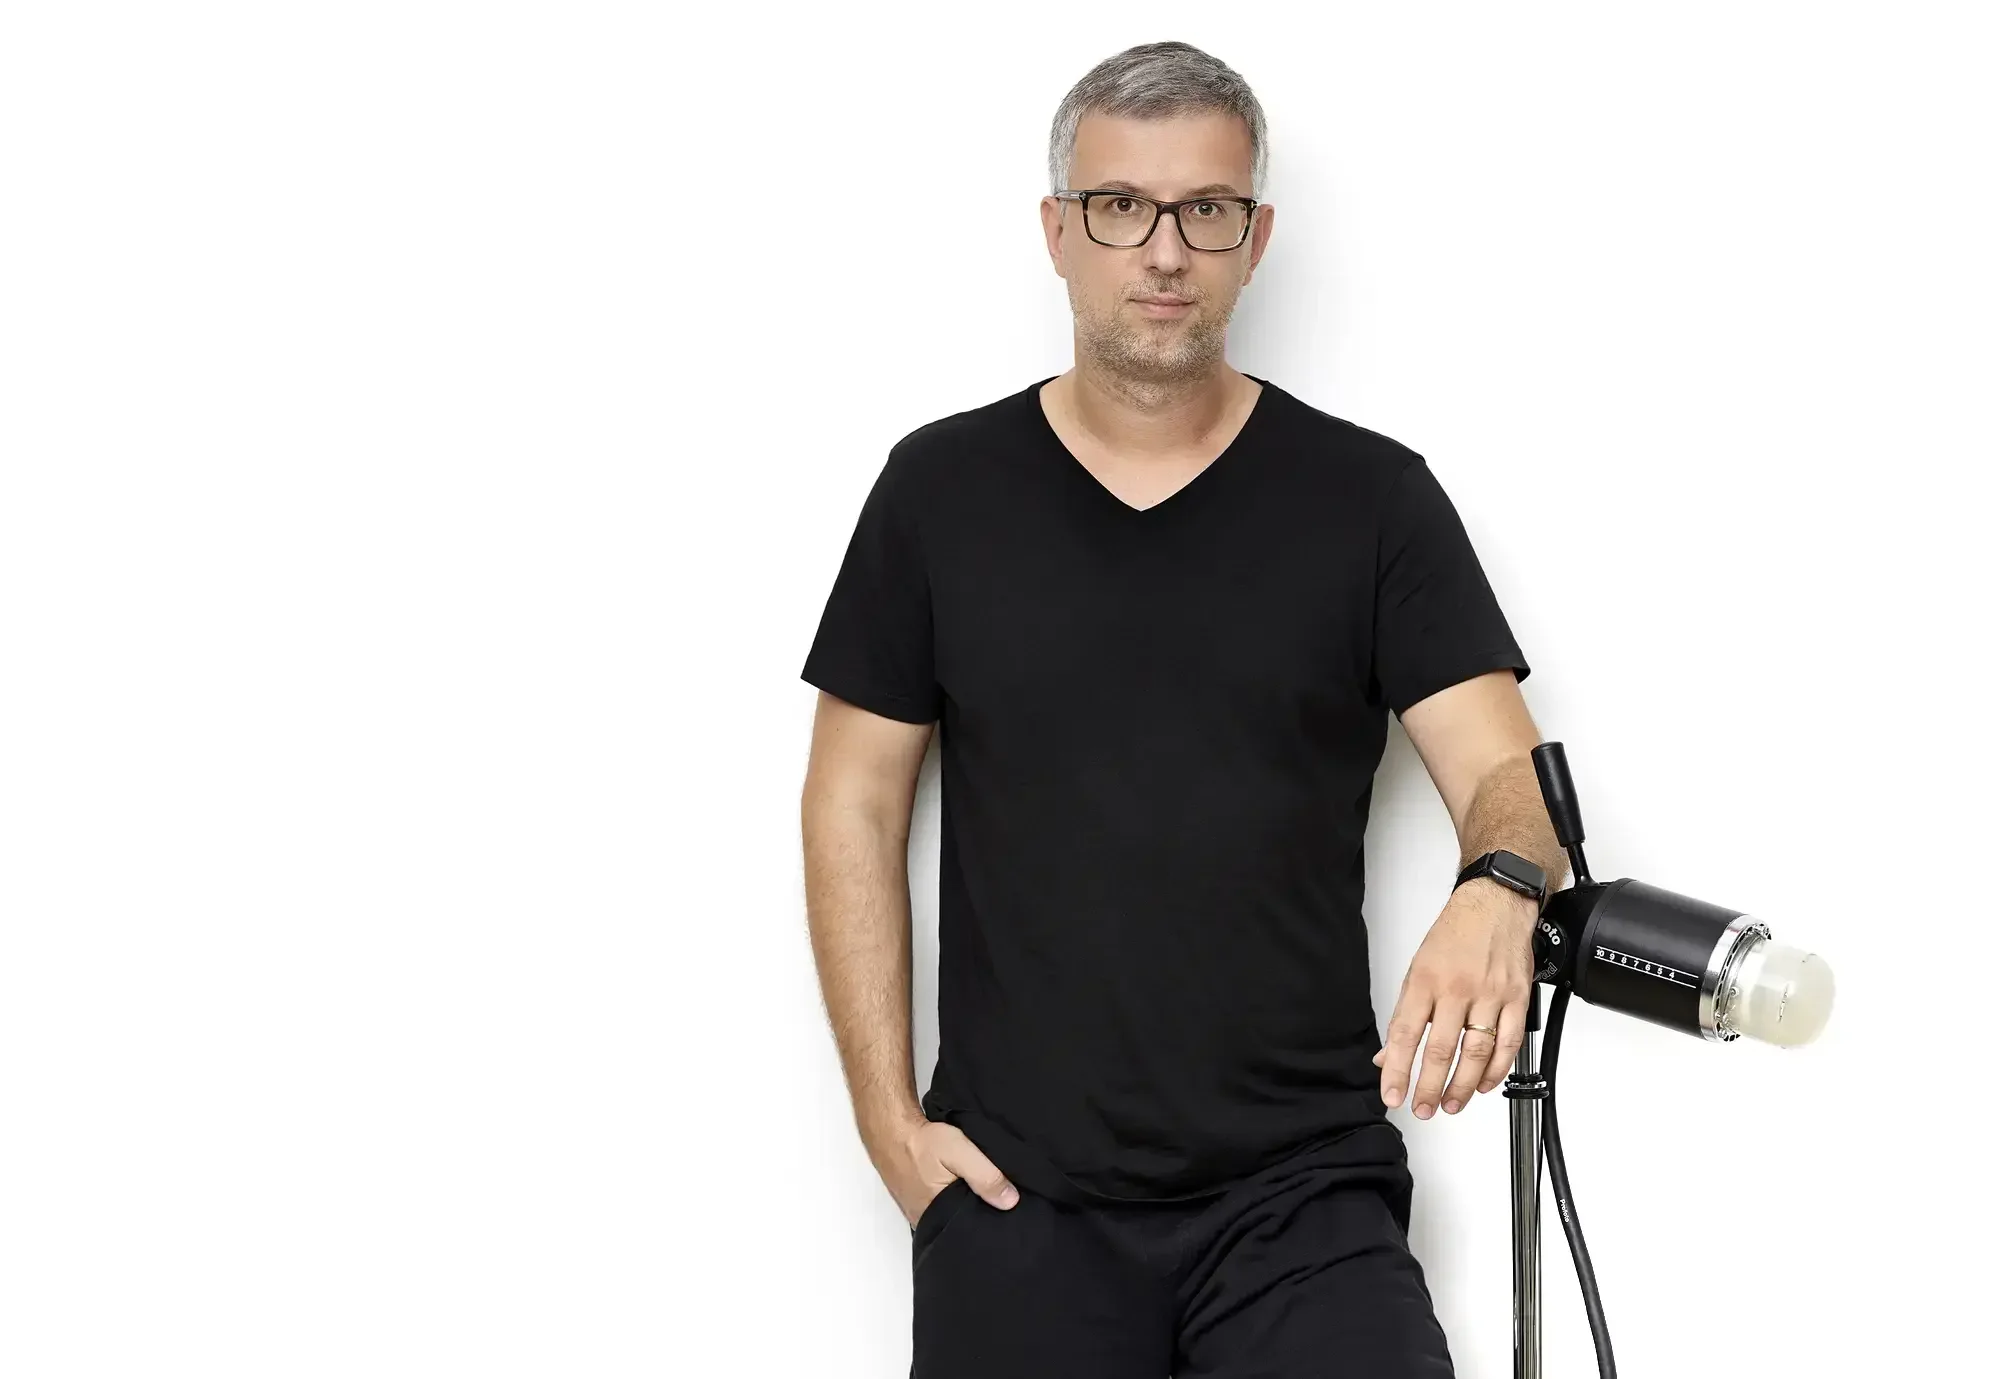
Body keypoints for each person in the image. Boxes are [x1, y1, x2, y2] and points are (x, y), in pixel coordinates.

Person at [798, 39, 1570, 1379]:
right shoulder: (938, 493)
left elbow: (1510, 781)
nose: (1164, 250)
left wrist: (1501, 883)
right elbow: (853, 798)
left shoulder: (1372, 502)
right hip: (1015, 1195)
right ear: (1058, 231)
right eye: (1121, 208)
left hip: (1300, 1195)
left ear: (1254, 237)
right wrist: (886, 1123)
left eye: (1205, 210)